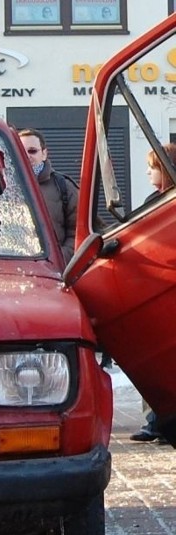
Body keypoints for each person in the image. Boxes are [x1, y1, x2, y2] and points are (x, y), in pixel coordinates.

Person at [129, 143, 176, 444]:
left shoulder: (165, 206)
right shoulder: (151, 201)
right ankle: (157, 420)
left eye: (153, 166)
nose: (147, 171)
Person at [19, 128, 79, 265]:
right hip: (15, 272)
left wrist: (58, 260)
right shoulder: (4, 187)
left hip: (53, 274)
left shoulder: (64, 187)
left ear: (44, 154)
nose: (27, 156)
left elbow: (78, 233)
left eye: (32, 151)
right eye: (22, 152)